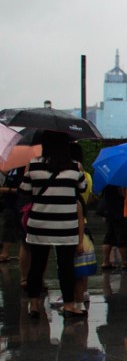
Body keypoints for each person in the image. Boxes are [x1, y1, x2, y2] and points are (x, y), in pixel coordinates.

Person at [20, 131, 88, 318]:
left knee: (37, 265)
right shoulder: (74, 167)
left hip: (39, 224)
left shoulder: (33, 165)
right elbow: (82, 188)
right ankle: (68, 305)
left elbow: (24, 190)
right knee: (66, 266)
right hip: (65, 225)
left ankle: (33, 305)